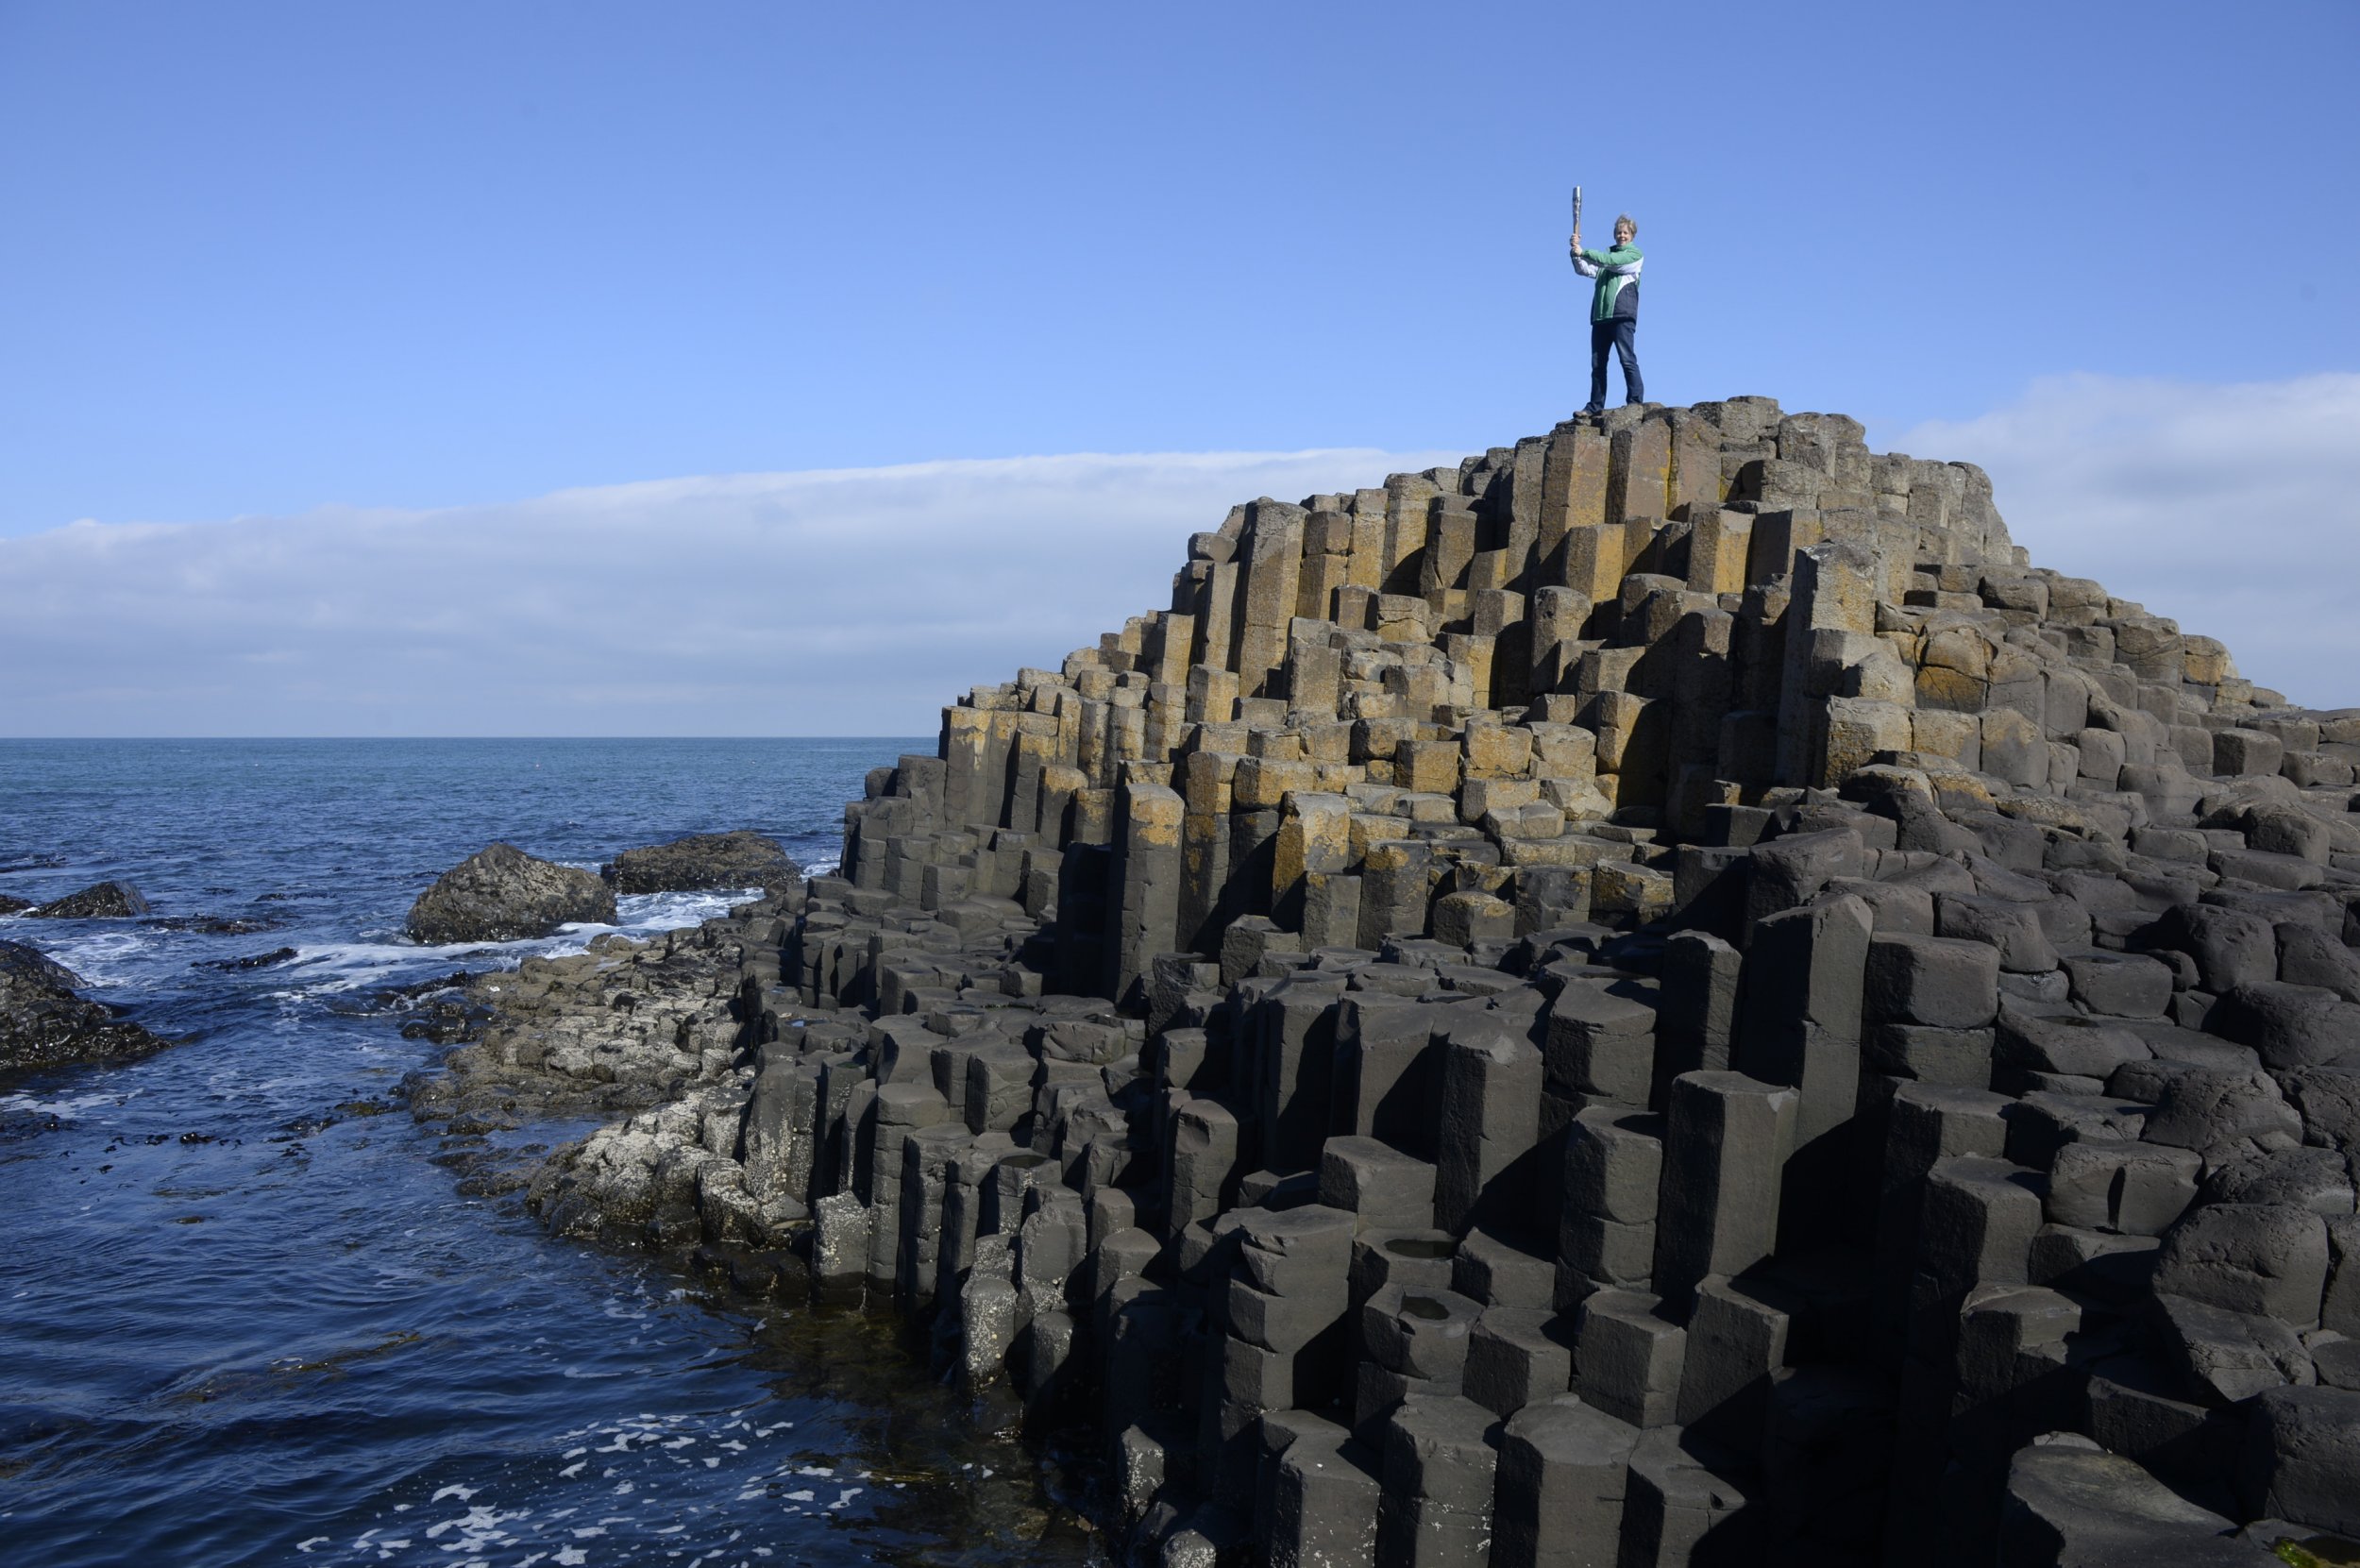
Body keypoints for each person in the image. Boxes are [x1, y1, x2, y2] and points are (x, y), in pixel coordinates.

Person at [1570, 213, 1644, 415]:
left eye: (1625, 232)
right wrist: (1575, 254)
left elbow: (1611, 261)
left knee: (1627, 359)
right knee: (1598, 364)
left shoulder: (1633, 256)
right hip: (1601, 317)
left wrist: (1584, 251)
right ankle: (1595, 405)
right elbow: (1584, 269)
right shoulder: (1605, 260)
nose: (1622, 235)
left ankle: (1635, 403)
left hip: (1622, 315)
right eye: (1619, 232)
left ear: (1632, 235)